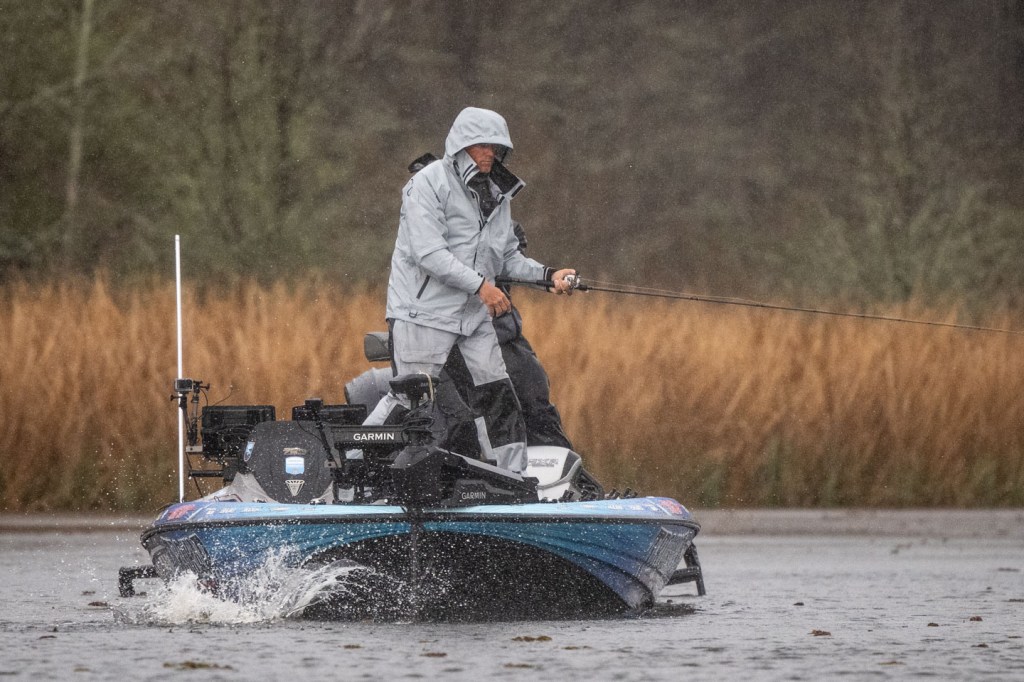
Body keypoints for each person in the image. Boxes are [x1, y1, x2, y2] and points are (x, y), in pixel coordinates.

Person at [370, 107, 576, 473]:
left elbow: (506, 257)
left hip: (472, 316)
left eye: (496, 147)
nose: (489, 154)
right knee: (409, 401)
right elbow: (429, 255)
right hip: (422, 314)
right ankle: (349, 466)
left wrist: (549, 276)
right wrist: (483, 287)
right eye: (481, 145)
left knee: (499, 396)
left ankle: (513, 480)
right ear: (461, 146)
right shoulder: (427, 183)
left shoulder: (499, 194)